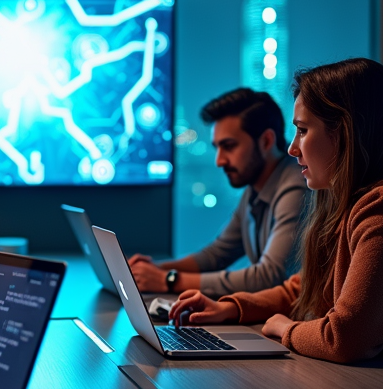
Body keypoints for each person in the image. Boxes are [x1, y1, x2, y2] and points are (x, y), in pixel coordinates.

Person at [170, 58, 383, 389]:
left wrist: (284, 328)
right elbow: (307, 287)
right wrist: (233, 308)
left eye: (303, 131)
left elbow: (345, 338)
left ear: (345, 134)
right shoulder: (351, 204)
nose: (292, 149)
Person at [128, 88, 307, 297]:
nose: (219, 161)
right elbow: (217, 254)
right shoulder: (257, 185)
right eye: (217, 148)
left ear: (266, 141)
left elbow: (269, 276)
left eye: (229, 146)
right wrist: (154, 270)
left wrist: (168, 280)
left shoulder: (297, 186)